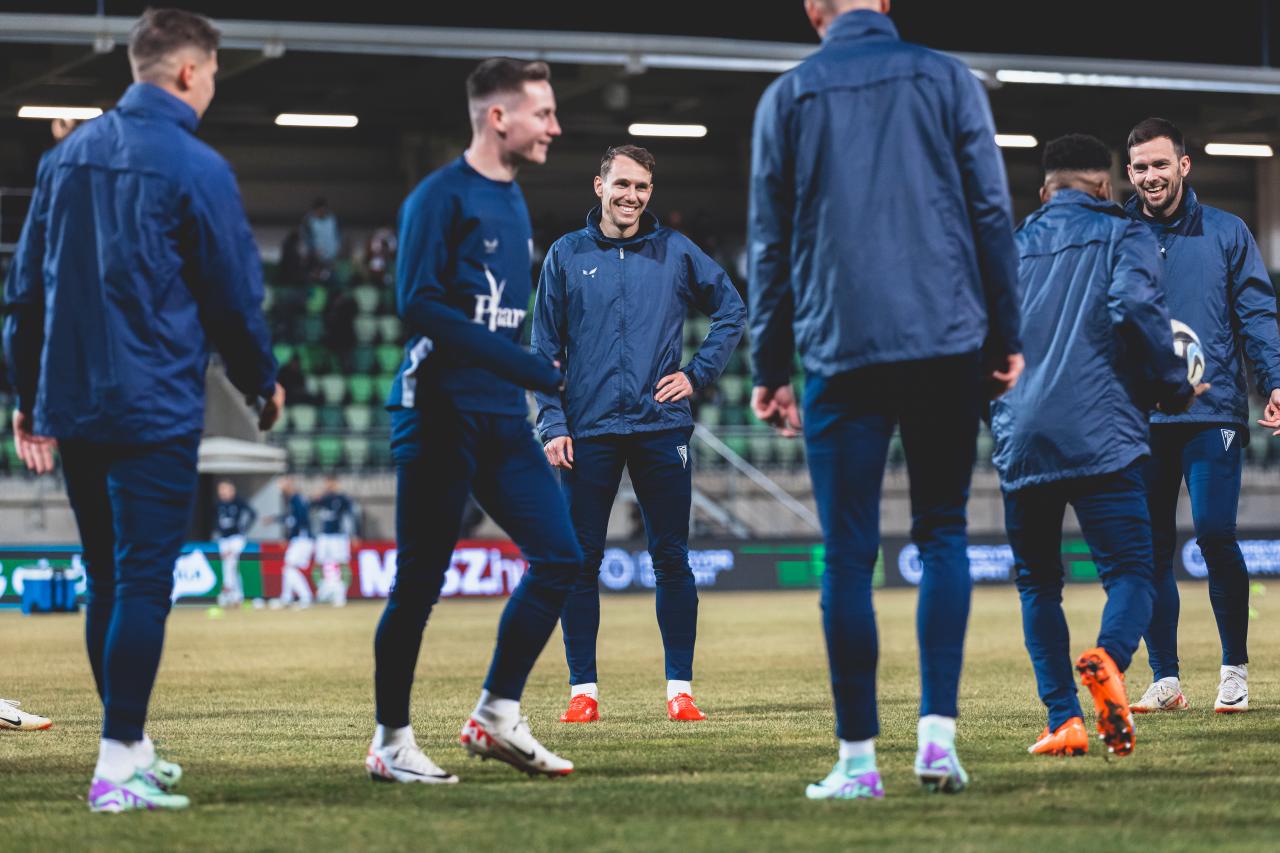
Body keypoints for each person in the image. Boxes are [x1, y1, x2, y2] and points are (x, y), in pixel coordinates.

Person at [2, 8, 283, 812]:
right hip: (153, 402)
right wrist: (261, 381)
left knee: (106, 577)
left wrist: (28, 399)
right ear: (190, 71)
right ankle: (117, 763)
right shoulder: (197, 166)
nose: (212, 86)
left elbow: (24, 292)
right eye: (214, 73)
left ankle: (129, 745)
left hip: (74, 403)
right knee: (144, 583)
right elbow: (233, 297)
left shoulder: (64, 159)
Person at [748, 0, 1023, 800]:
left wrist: (771, 366)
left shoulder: (787, 97)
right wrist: (1005, 334)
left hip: (842, 345)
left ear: (813, 10)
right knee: (943, 532)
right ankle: (938, 741)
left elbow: (770, 243)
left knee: (846, 552)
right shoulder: (947, 78)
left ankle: (858, 761)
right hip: (945, 337)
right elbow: (990, 210)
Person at [367, 56, 580, 785]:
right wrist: (530, 367)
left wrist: (535, 367)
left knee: (561, 557)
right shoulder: (438, 197)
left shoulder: (514, 199)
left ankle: (495, 714)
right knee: (418, 586)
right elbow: (418, 304)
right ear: (498, 117)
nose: (554, 127)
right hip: (437, 411)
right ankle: (391, 742)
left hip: (500, 415)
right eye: (543, 113)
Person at [992, 134, 1204, 758]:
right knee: (1133, 572)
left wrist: (1000, 417)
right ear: (1106, 186)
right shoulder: (1123, 233)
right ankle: (1107, 661)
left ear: (1045, 192)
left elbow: (980, 339)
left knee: (1037, 586)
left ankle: (1064, 720)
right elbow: (1135, 308)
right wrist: (1173, 388)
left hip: (1022, 437)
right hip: (1101, 436)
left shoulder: (1009, 246)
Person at [532, 144, 746, 723]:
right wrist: (552, 422)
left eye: (642, 187)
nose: (632, 196)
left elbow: (731, 310)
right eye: (622, 184)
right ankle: (583, 692)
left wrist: (697, 374)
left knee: (671, 558)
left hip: (660, 426)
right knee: (580, 562)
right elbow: (543, 349)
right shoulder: (566, 255)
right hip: (587, 430)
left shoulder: (675, 250)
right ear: (599, 186)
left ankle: (681, 691)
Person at [1124, 117, 1280, 715]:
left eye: (1161, 164)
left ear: (1183, 166)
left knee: (1215, 533)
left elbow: (1256, 315)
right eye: (1141, 167)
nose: (1151, 176)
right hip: (1139, 418)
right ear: (1129, 172)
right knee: (1150, 547)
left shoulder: (1227, 231)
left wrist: (1274, 379)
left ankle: (1234, 670)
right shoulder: (1116, 234)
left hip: (1212, 411)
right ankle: (1165, 679)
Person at [312, 474, 357, 607]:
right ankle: (324, 591)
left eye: (331, 482)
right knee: (319, 563)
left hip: (339, 536)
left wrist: (354, 534)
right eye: (327, 482)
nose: (329, 485)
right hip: (324, 536)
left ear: (336, 483)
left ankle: (341, 594)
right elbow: (311, 505)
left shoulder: (343, 498)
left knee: (342, 563)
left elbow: (351, 516)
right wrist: (320, 493)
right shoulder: (323, 498)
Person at [214, 480, 257, 607]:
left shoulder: (239, 501)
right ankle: (237, 596)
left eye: (225, 489)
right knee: (229, 566)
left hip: (236, 538)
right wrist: (217, 530)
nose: (222, 492)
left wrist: (244, 529)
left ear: (232, 490)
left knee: (231, 561)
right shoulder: (218, 504)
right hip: (224, 539)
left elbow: (253, 514)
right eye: (220, 490)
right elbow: (215, 520)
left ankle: (226, 591)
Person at [274, 476, 314, 609]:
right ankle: (286, 598)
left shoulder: (297, 499)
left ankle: (305, 597)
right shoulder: (294, 499)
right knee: (288, 568)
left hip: (302, 539)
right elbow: (291, 519)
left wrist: (289, 537)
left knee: (289, 567)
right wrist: (274, 519)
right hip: (300, 539)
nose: (280, 488)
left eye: (282, 485)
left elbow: (300, 520)